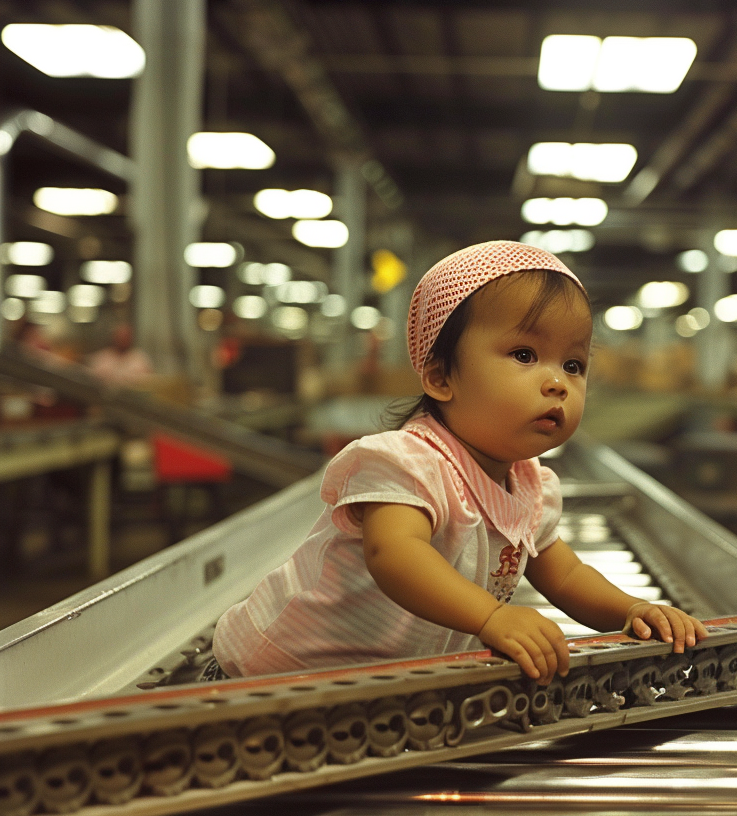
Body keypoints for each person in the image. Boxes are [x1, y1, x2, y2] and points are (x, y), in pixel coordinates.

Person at [213, 240, 707, 682]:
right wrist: (492, 618)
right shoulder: (408, 463)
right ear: (441, 379)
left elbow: (566, 576)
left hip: (370, 689)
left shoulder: (531, 487)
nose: (557, 381)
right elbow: (396, 556)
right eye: (524, 354)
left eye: (572, 364)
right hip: (272, 674)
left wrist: (633, 610)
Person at [87, 323, 152, 386]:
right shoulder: (101, 357)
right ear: (114, 337)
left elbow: (148, 381)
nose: (123, 340)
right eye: (120, 337)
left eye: (126, 337)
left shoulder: (140, 358)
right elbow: (92, 380)